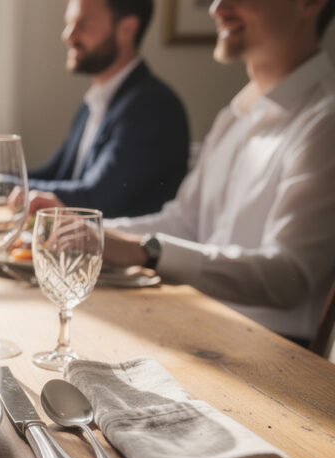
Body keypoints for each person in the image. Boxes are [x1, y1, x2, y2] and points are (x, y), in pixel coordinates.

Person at [29, 0, 335, 345]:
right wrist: (87, 232)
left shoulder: (325, 123)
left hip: (273, 355)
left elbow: (289, 278)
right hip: (195, 327)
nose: (217, 8)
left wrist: (146, 250)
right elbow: (184, 222)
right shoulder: (233, 117)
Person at [28, 0, 190, 219]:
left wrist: (0, 186)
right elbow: (55, 173)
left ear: (127, 29)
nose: (68, 35)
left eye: (82, 24)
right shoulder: (95, 101)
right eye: (69, 23)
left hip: (114, 249)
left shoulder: (151, 105)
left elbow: (95, 198)